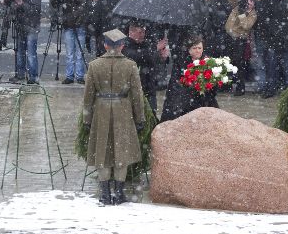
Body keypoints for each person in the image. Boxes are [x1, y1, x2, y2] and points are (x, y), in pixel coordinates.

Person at [83, 29, 146, 205]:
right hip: (123, 111)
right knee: (121, 152)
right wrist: (140, 118)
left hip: (101, 112)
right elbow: (137, 95)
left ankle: (104, 194)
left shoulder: (94, 65)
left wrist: (86, 120)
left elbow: (88, 96)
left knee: (102, 152)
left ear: (105, 45)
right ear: (122, 46)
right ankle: (119, 193)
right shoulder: (130, 65)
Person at [160, 35, 219, 122]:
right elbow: (175, 85)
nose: (198, 50)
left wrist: (209, 83)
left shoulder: (208, 61)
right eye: (195, 48)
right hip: (185, 101)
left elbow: (214, 88)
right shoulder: (181, 62)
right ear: (189, 49)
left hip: (204, 100)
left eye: (200, 48)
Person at [122, 22, 167, 112]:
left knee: (152, 114)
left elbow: (152, 60)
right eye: (139, 32)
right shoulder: (125, 44)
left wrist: (162, 57)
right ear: (131, 32)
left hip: (149, 86)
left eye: (143, 32)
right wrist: (155, 47)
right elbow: (136, 56)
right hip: (133, 88)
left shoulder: (146, 44)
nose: (142, 35)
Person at [7, 0, 41, 84]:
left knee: (31, 53)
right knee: (20, 52)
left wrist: (22, 4)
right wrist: (10, 3)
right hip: (20, 26)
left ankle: (33, 76)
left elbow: (35, 10)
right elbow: (14, 7)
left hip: (31, 27)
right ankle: (20, 74)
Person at [54, 0, 88, 85]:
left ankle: (79, 76)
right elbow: (55, 4)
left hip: (79, 25)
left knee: (79, 53)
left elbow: (81, 5)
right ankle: (69, 76)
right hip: (68, 26)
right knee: (69, 53)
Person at [225, 0, 258, 96]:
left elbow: (247, 26)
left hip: (240, 40)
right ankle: (227, 84)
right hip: (229, 37)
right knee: (227, 61)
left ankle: (240, 87)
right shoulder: (238, 4)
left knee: (239, 64)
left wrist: (243, 13)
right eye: (248, 1)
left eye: (251, 2)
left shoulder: (253, 13)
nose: (249, 3)